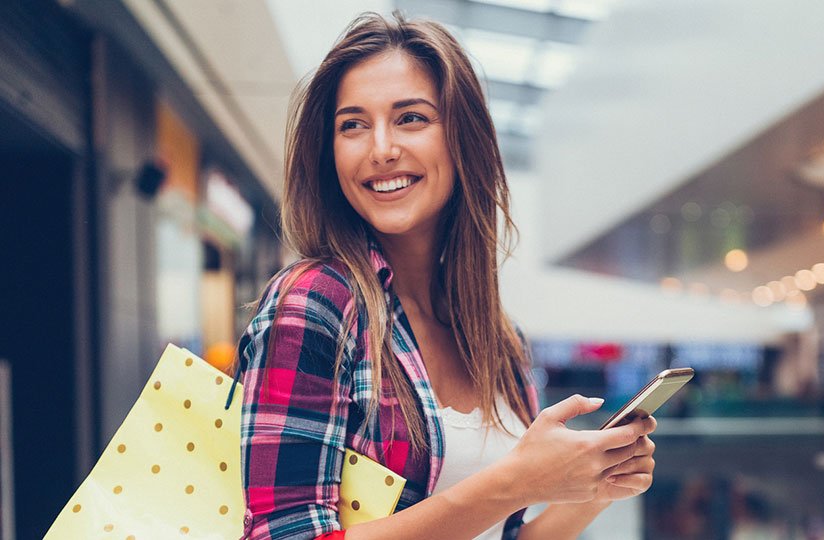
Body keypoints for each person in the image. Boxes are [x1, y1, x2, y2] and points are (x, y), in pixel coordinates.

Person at [235, 12, 657, 540]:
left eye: (410, 118)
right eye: (353, 124)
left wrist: (595, 491)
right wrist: (514, 482)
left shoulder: (499, 339)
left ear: (463, 140)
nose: (381, 148)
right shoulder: (316, 303)